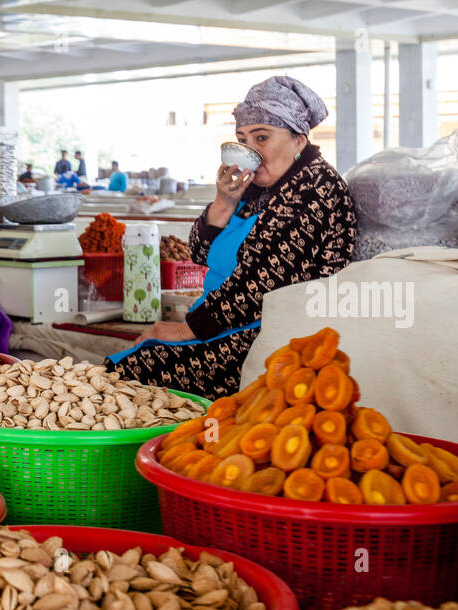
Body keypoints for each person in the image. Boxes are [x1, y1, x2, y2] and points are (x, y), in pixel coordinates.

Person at [107, 76, 357, 398]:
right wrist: (224, 202)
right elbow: (197, 254)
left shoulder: (315, 189)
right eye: (242, 138)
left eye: (262, 137)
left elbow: (261, 284)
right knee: (124, 373)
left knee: (132, 376)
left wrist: (187, 329)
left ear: (298, 140)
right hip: (222, 320)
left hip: (271, 336)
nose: (249, 150)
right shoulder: (257, 190)